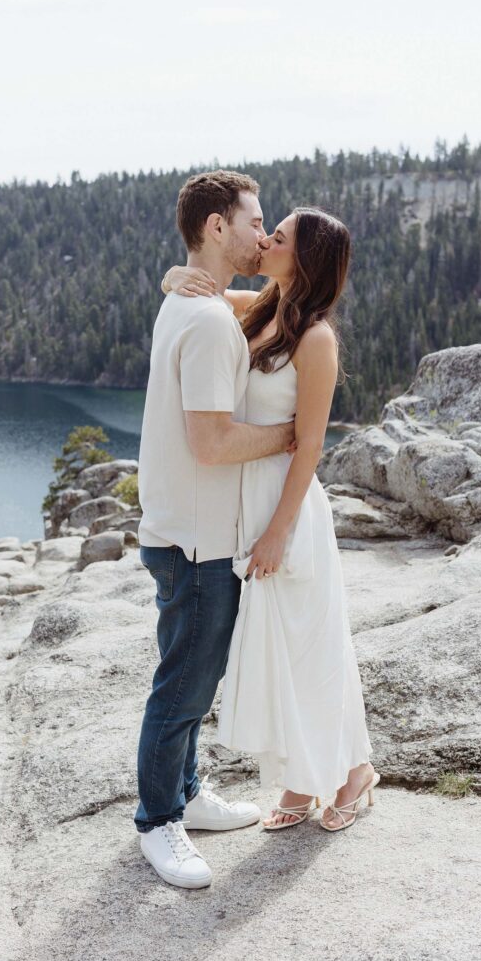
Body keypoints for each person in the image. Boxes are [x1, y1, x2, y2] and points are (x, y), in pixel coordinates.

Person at [162, 203, 378, 836]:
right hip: (251, 503)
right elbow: (192, 289)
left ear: (302, 257)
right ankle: (303, 778)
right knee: (279, 651)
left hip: (289, 512)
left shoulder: (315, 338)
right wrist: (174, 277)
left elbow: (309, 445)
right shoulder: (261, 310)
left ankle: (349, 775)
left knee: (312, 647)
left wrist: (279, 529)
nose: (264, 241)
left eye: (276, 238)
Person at [135, 170, 297, 890]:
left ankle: (188, 795)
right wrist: (290, 435)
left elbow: (253, 305)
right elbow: (211, 443)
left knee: (192, 679)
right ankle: (157, 821)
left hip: (184, 531)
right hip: (196, 542)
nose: (262, 235)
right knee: (183, 687)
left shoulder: (191, 300)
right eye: (253, 221)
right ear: (214, 227)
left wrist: (178, 278)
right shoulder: (201, 320)